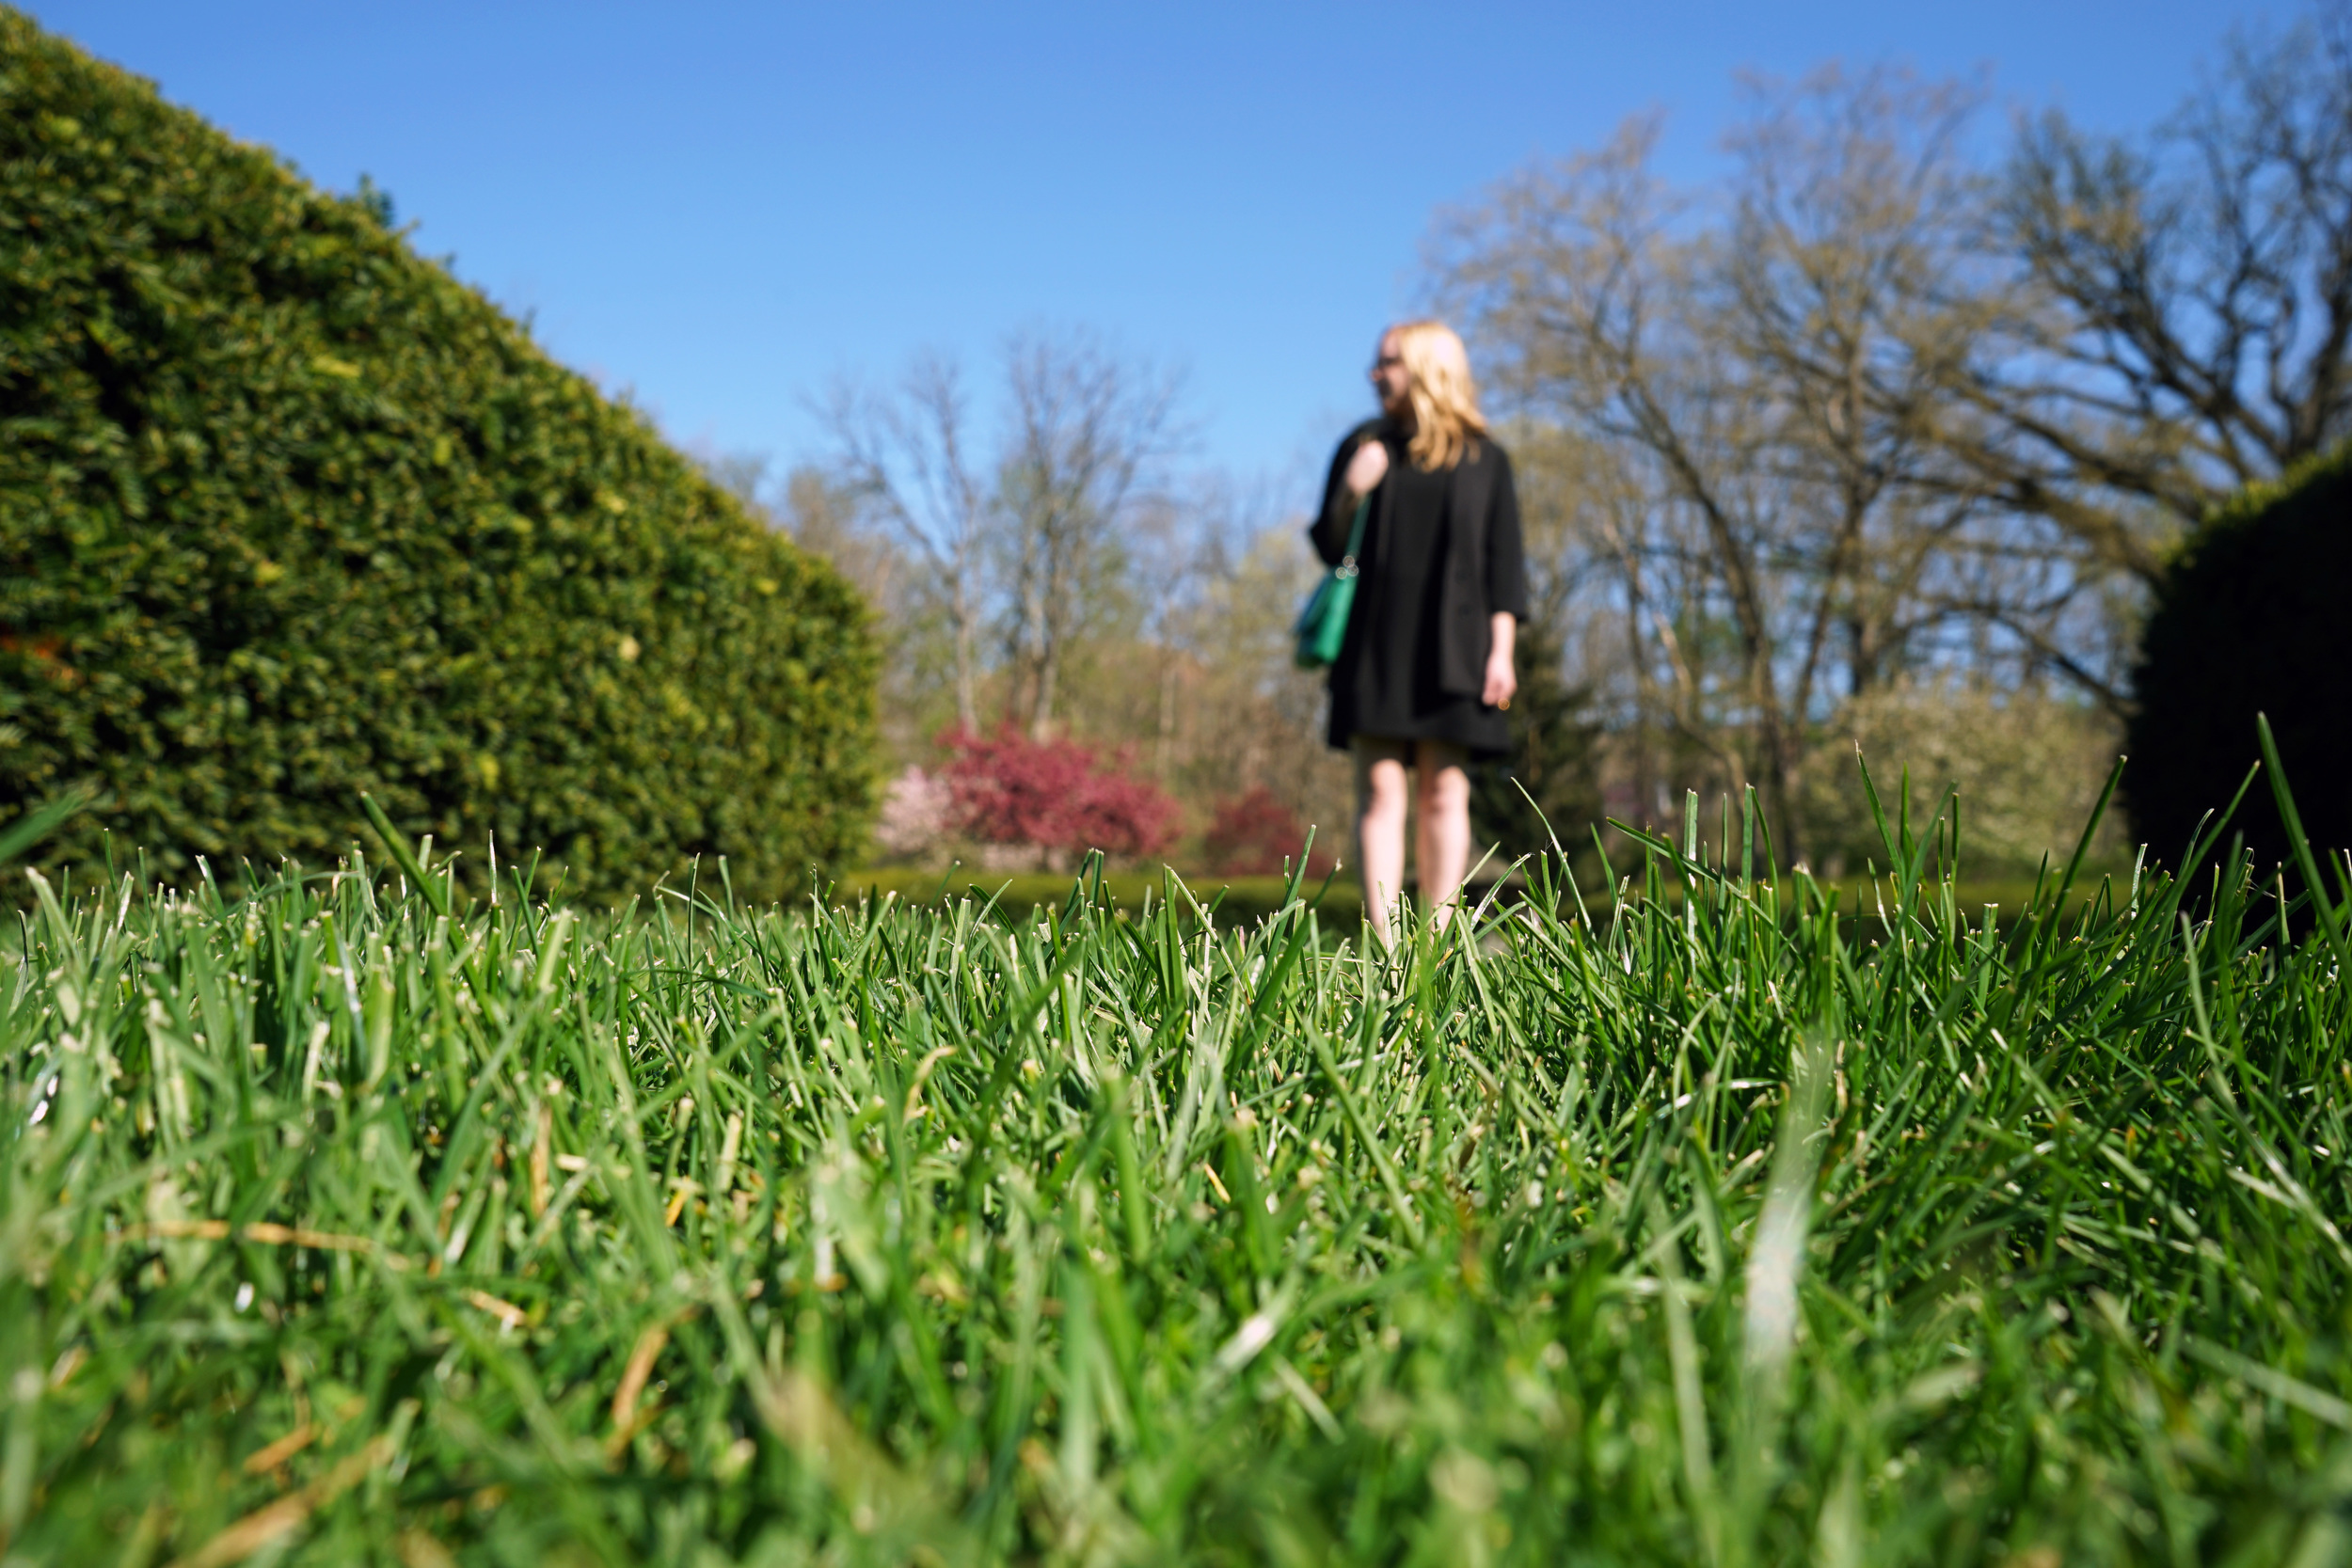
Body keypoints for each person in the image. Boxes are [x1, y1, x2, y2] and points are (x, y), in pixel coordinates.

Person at [1311, 320, 1527, 945]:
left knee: (1444, 791)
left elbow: (1504, 563)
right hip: (1375, 644)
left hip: (1456, 649)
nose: (1375, 374)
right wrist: (1354, 490)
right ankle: (1384, 941)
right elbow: (1328, 546)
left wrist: (1503, 651)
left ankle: (1435, 941)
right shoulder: (1364, 443)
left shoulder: (1486, 457)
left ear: (1429, 366)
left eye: (1389, 362)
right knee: (1379, 792)